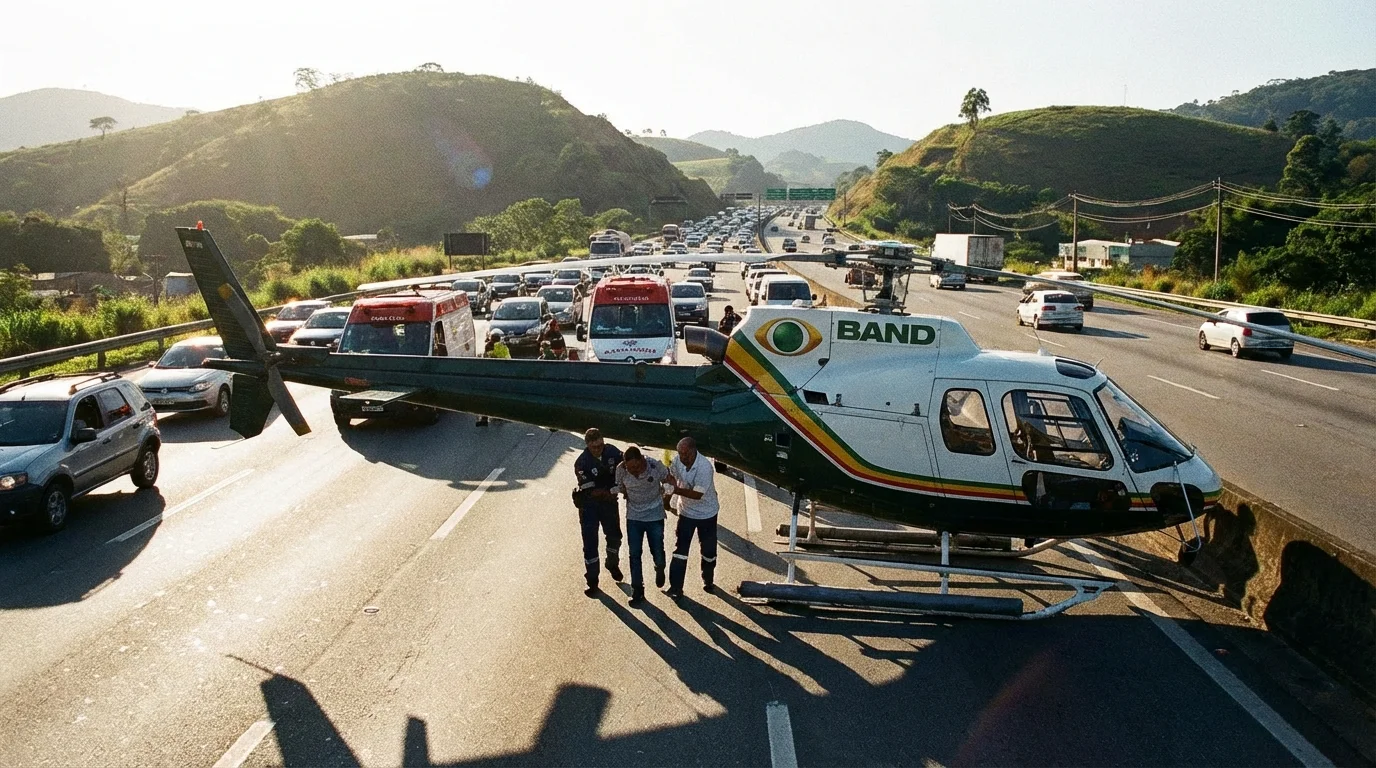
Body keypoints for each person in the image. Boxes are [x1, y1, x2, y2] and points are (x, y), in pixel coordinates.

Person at [614, 445, 673, 605]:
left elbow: (669, 481)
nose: (634, 471)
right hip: (634, 516)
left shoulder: (655, 466)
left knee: (657, 550)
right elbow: (619, 487)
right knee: (634, 554)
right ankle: (637, 591)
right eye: (630, 468)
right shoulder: (621, 470)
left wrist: (666, 498)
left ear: (642, 459)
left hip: (654, 514)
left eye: (637, 466)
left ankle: (659, 567)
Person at [666, 436, 720, 596]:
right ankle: (675, 587)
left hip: (707, 514)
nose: (683, 458)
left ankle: (708, 579)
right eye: (680, 454)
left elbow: (697, 494)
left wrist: (675, 490)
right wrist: (670, 483)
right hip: (687, 513)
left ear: (694, 451)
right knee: (680, 550)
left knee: (708, 550)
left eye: (686, 455)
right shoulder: (678, 461)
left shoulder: (705, 467)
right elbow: (671, 474)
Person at [573, 428, 624, 596]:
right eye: (594, 447)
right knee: (590, 544)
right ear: (587, 445)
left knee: (615, 536)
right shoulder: (581, 463)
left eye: (600, 445)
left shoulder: (612, 452)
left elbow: (626, 465)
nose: (598, 449)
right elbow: (591, 490)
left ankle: (612, 563)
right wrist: (612, 490)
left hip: (609, 505)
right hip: (589, 507)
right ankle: (592, 580)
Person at [476, 330, 510, 426]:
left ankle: (484, 418)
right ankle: (498, 416)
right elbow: (508, 359)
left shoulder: (489, 347)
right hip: (500, 376)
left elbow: (485, 360)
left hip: (489, 376)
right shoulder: (503, 347)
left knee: (486, 398)